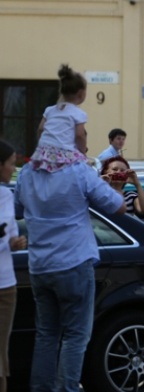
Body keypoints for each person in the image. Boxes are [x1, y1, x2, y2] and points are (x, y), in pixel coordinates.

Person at [14, 136, 125, 390]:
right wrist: (112, 188)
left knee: (46, 334)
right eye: (82, 141)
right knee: (75, 335)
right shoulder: (78, 171)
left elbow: (18, 209)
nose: (85, 148)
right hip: (73, 262)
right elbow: (116, 206)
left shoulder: (28, 172)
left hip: (40, 265)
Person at [0, 140, 27, 392]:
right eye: (10, 164)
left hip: (6, 285)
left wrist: (16, 242)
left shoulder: (6, 195)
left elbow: (9, 235)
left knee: (2, 353)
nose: (13, 169)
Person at [31, 64, 89, 172]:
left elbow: (40, 129)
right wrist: (82, 152)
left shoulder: (50, 110)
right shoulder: (79, 113)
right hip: (63, 152)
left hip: (44, 152)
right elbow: (80, 135)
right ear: (81, 93)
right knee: (84, 167)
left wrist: (43, 147)